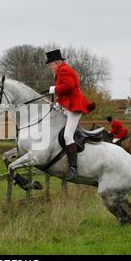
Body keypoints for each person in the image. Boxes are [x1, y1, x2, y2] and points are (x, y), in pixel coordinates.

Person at [46, 49, 94, 182]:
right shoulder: (61, 71)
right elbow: (64, 93)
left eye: (50, 65)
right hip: (69, 105)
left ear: (56, 62)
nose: (49, 67)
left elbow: (69, 86)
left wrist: (54, 89)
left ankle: (73, 168)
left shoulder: (64, 70)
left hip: (75, 106)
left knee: (67, 135)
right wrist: (57, 104)